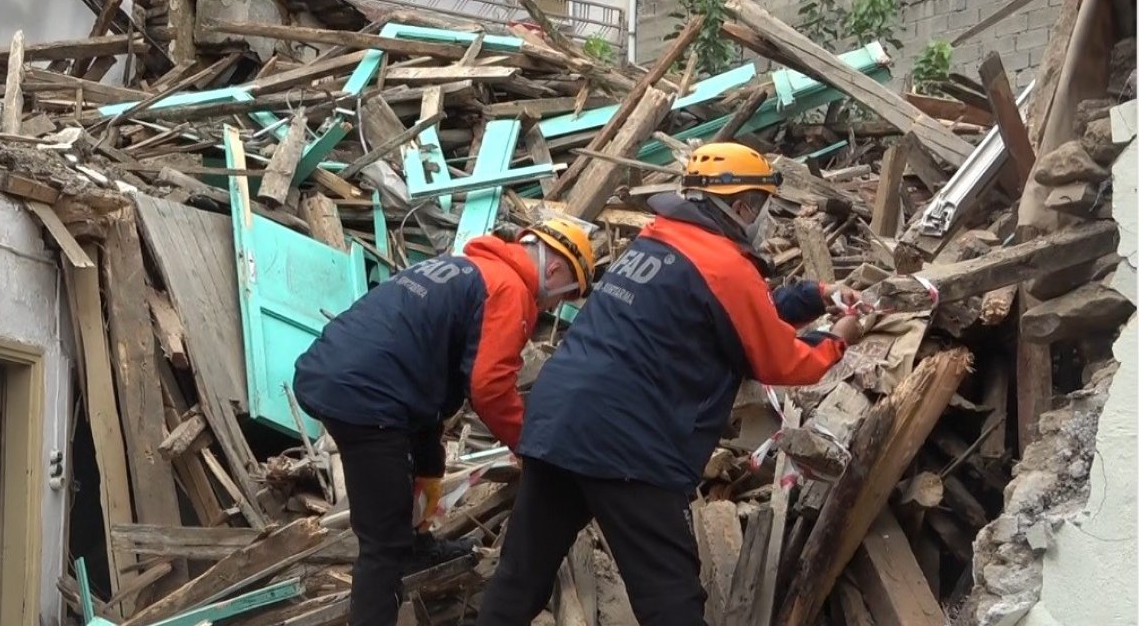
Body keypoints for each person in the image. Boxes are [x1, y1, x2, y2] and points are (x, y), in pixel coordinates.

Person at [475, 142, 868, 626]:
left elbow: (736, 315)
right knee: (671, 601)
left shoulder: (657, 243)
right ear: (740, 205)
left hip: (557, 423)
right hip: (629, 443)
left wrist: (816, 295)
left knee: (519, 580)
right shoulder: (723, 266)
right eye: (762, 204)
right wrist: (839, 339)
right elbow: (783, 362)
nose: (764, 216)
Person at [293, 218, 596, 626]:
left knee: (428, 451)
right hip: (367, 398)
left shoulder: (469, 267)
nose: (554, 307)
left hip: (338, 370)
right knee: (383, 543)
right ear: (556, 269)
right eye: (564, 297)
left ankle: (418, 542)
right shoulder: (509, 290)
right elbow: (489, 386)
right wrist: (528, 445)